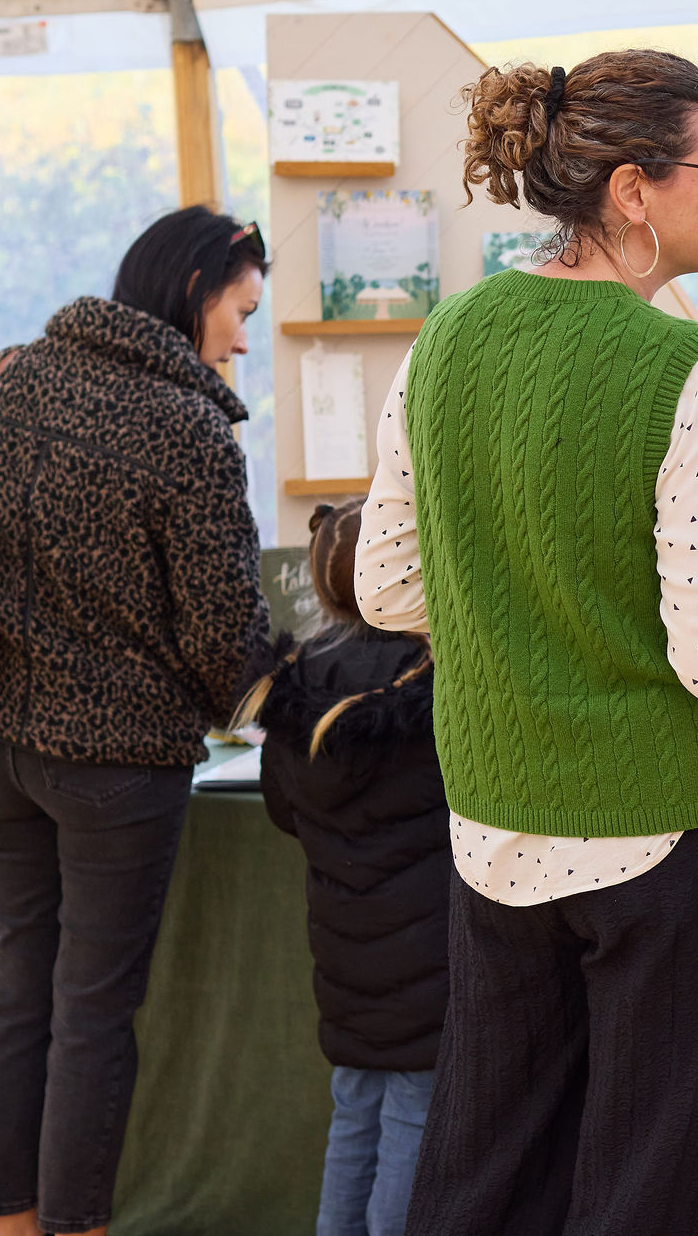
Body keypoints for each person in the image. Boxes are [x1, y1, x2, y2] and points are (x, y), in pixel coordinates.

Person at [356, 50, 698, 1235]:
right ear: (630, 190)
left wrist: (520, 601)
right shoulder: (684, 367)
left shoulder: (444, 339)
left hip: (496, 826)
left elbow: (387, 586)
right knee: (658, 1186)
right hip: (673, 828)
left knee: (489, 1172)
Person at [0, 205, 272, 1236]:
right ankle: (78, 1229)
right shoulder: (188, 426)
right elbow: (225, 630)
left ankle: (12, 1222)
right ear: (196, 289)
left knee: (20, 988)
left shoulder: (4, 375)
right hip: (115, 768)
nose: (244, 338)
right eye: (242, 311)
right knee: (93, 1009)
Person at [234, 499, 445, 1236]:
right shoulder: (438, 681)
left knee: (354, 1107)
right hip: (432, 951)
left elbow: (284, 809)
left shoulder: (294, 684)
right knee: (417, 1111)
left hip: (343, 946)